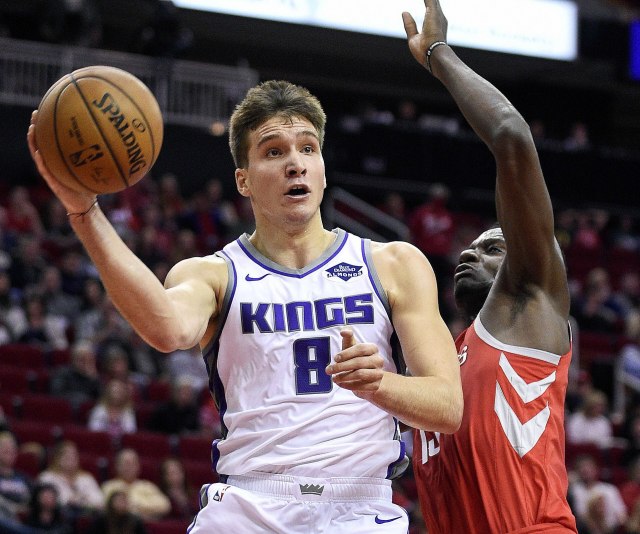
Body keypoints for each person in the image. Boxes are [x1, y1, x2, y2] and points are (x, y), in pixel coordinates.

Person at [27, 28, 462, 534]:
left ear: (322, 169)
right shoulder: (213, 273)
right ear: (244, 180)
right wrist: (85, 214)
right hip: (251, 506)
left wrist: (380, 384)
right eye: (274, 151)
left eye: (308, 148)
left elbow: (448, 407)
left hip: (359, 508)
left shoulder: (393, 263)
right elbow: (167, 329)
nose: (295, 162)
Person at [403, 0, 578, 532]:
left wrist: (438, 54)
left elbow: (509, 136)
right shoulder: (436, 367)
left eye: (493, 247)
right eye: (471, 248)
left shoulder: (530, 299)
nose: (468, 253)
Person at [101, 448, 171, 521]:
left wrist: (135, 505)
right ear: (117, 466)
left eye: (133, 463)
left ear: (138, 466)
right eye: (126, 463)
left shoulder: (148, 486)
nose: (129, 467)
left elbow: (165, 506)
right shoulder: (108, 486)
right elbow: (104, 506)